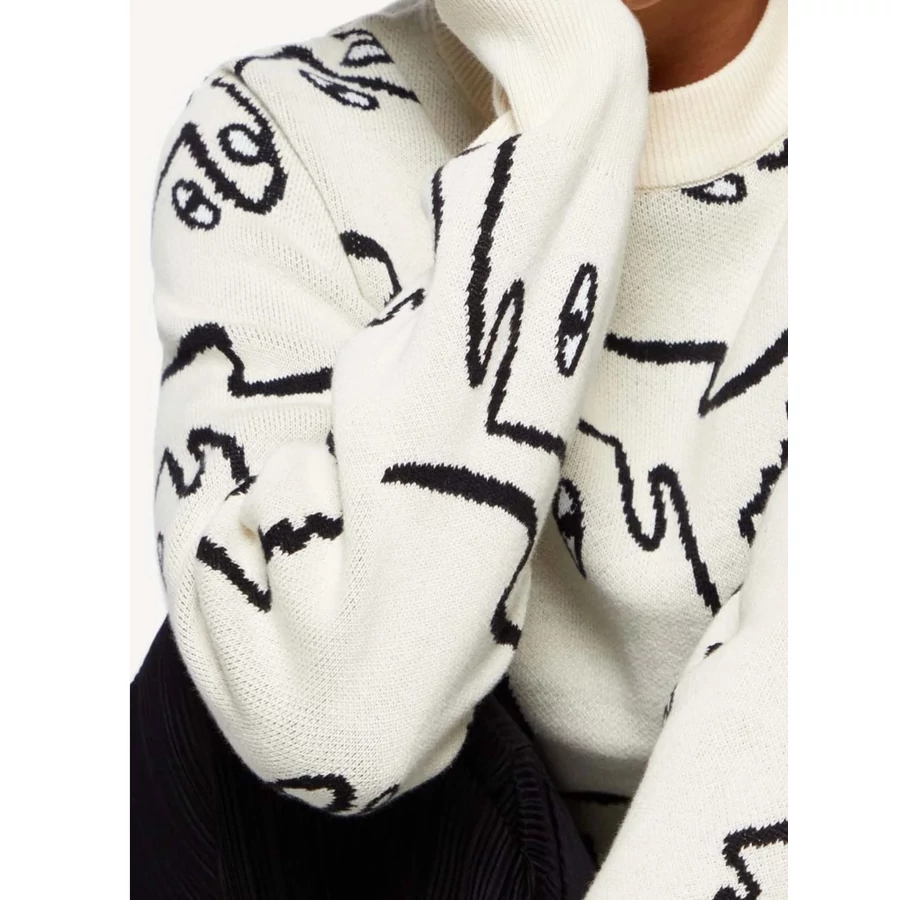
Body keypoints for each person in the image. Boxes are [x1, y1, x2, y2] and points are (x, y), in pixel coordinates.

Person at [145, 0, 787, 895]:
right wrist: (570, 87)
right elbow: (332, 725)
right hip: (460, 851)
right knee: (231, 638)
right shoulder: (278, 138)